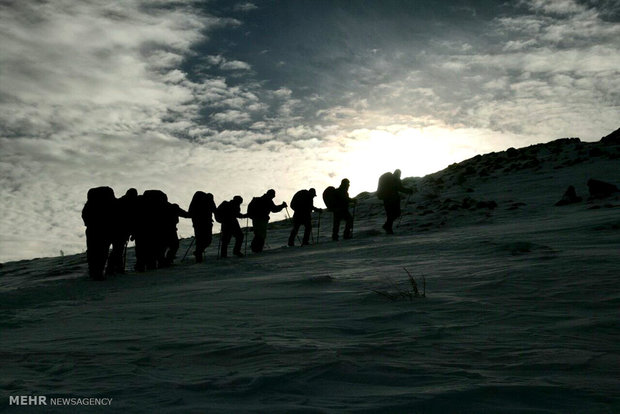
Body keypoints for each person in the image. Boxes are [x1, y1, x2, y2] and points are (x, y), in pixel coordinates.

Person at [81, 186, 116, 280]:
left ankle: (94, 272)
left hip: (93, 230)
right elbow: (115, 217)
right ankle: (98, 272)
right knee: (102, 251)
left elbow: (85, 217)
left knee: (94, 251)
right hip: (104, 230)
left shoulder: (89, 205)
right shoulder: (110, 204)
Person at [107, 188, 138, 275]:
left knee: (118, 251)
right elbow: (130, 220)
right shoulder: (127, 204)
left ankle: (116, 268)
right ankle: (113, 269)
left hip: (118, 231)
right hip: (119, 231)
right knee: (117, 251)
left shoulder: (121, 202)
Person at [377, 169, 413, 234]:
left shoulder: (395, 179)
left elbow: (400, 188)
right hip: (389, 199)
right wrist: (408, 191)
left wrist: (408, 191)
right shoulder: (392, 179)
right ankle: (388, 228)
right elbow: (400, 188)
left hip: (391, 199)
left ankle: (387, 226)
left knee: (394, 214)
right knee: (392, 214)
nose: (400, 176)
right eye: (399, 174)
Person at [159, 200, 191, 267]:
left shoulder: (156, 207)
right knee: (174, 245)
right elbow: (185, 214)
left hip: (160, 231)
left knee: (162, 247)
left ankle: (162, 262)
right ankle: (167, 261)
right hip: (171, 230)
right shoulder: (173, 207)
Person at [188, 191, 217, 263]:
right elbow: (215, 210)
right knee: (205, 240)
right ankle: (198, 256)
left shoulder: (198, 199)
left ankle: (198, 252)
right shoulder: (207, 199)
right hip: (202, 223)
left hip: (200, 223)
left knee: (202, 240)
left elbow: (190, 212)